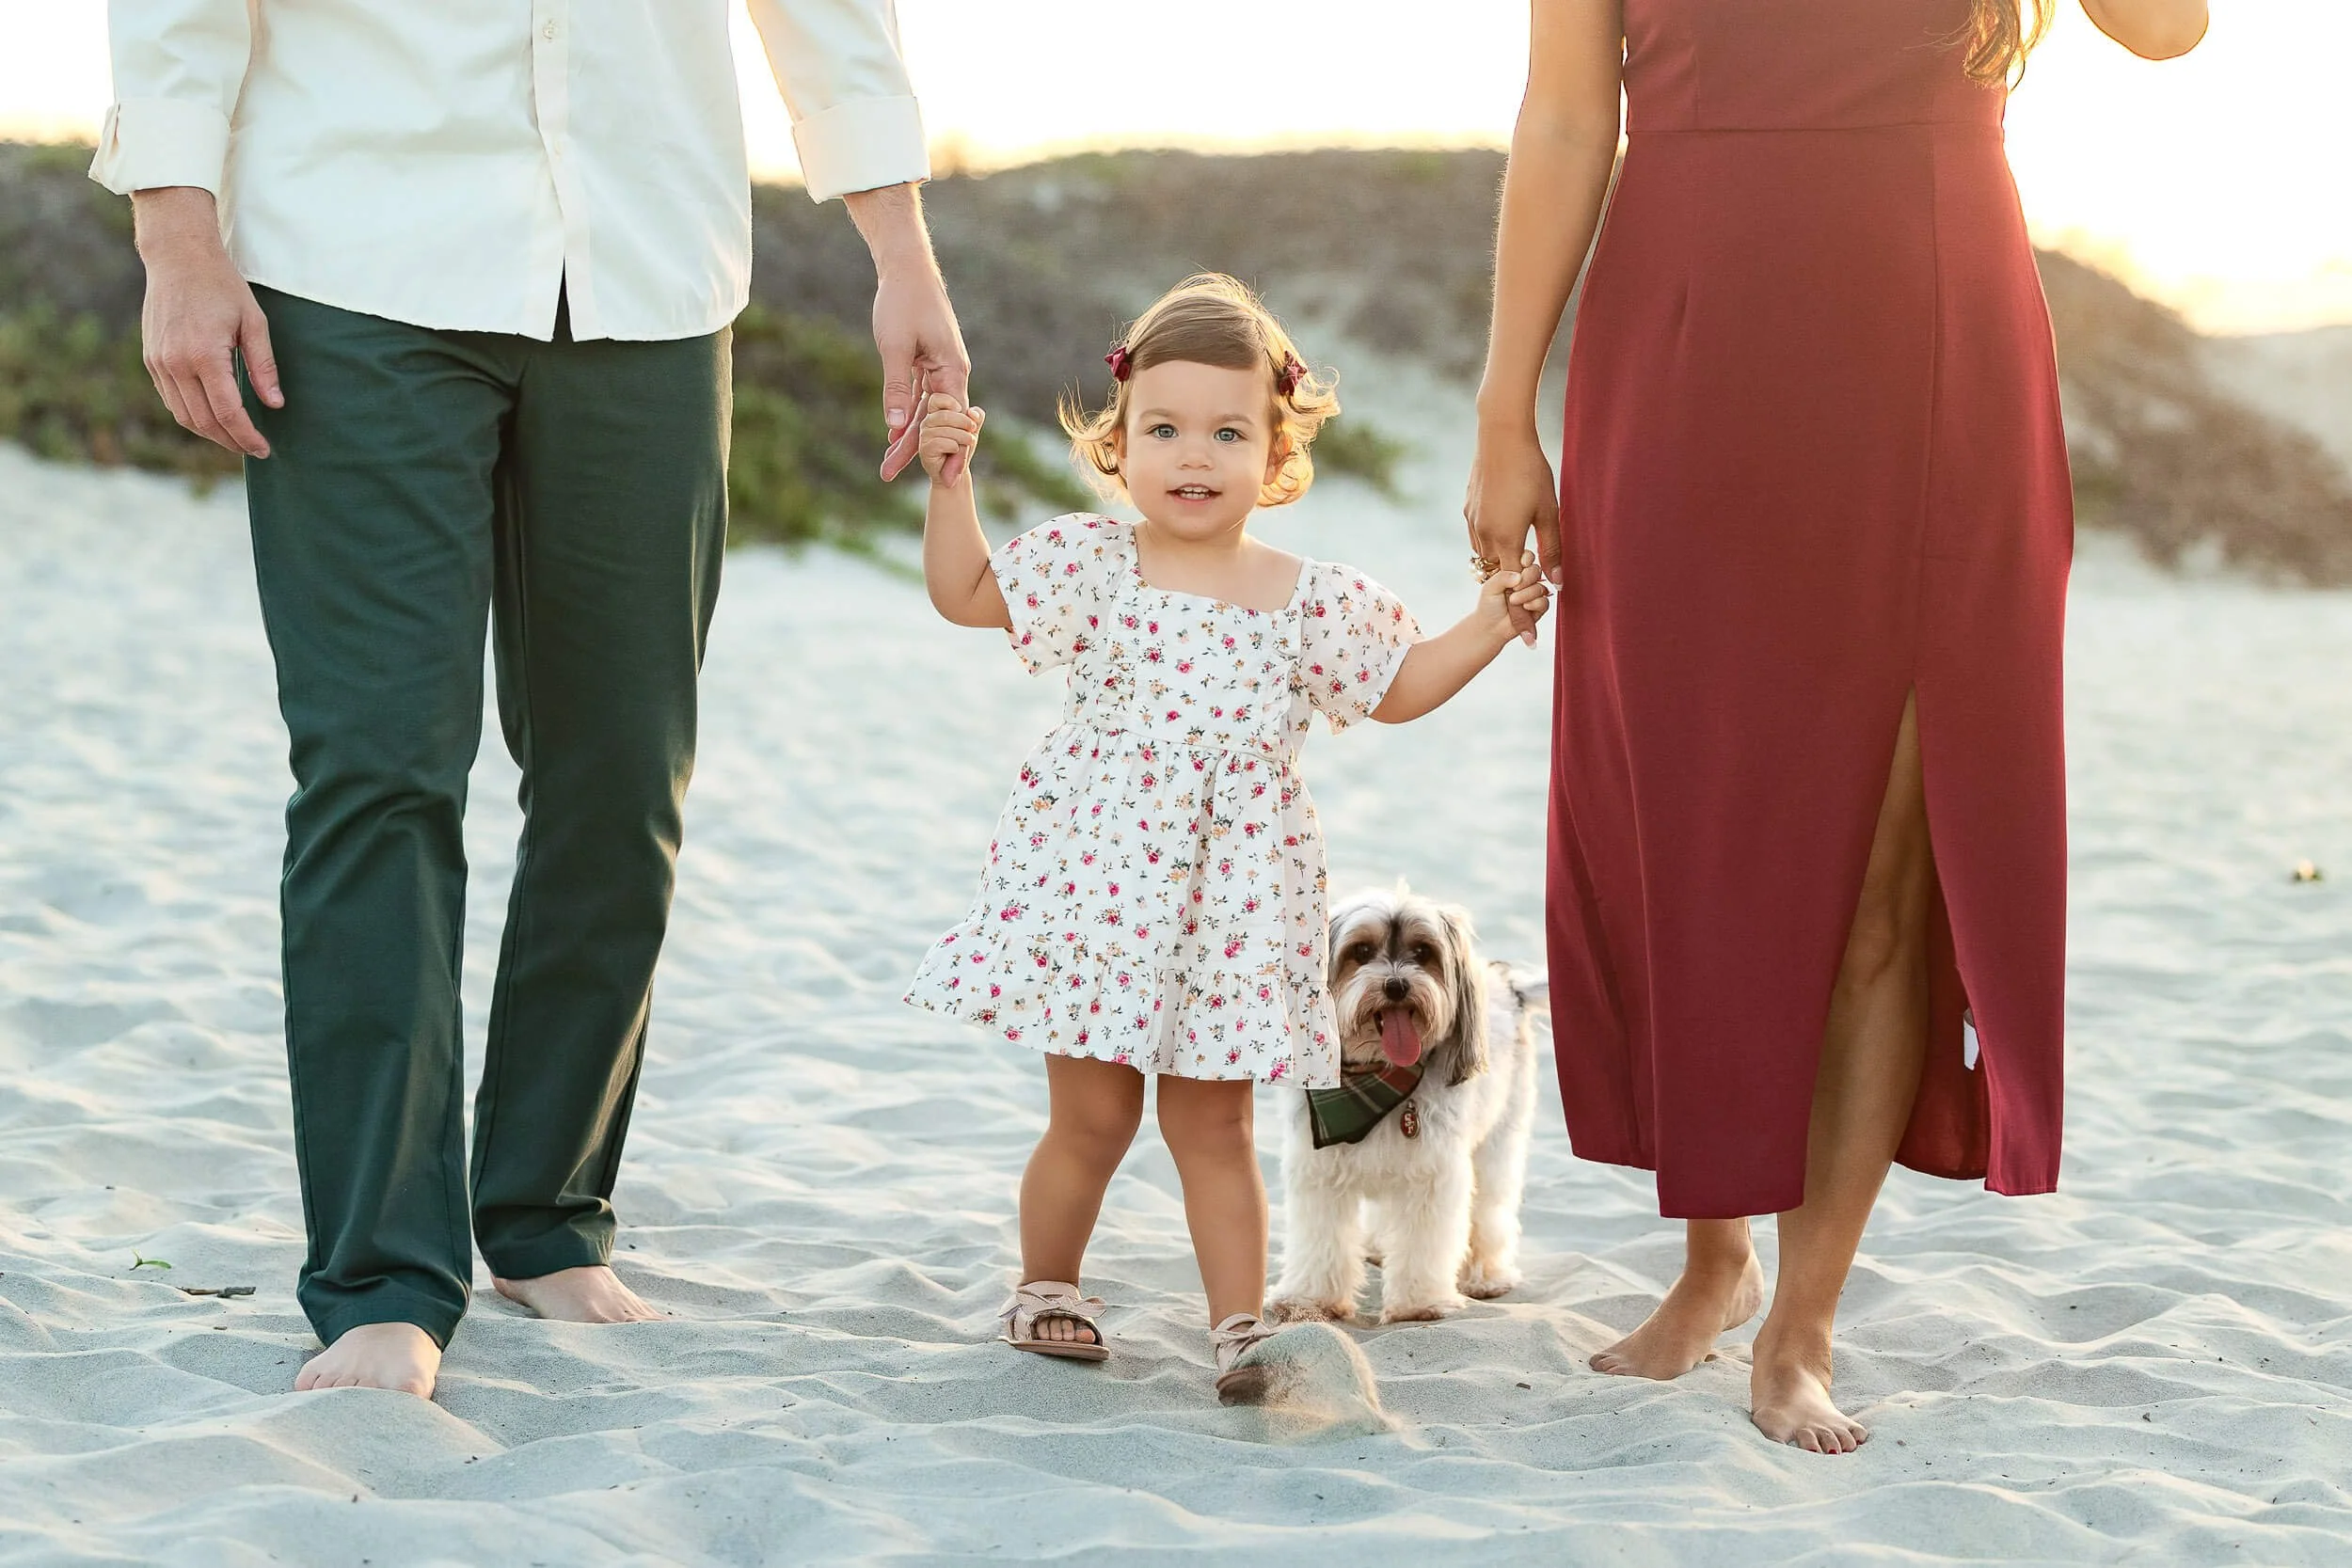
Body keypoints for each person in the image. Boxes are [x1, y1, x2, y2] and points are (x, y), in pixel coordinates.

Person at [92, 0, 970, 1400]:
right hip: (351, 256)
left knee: (623, 772)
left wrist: (899, 247)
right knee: (380, 771)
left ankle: (544, 1207)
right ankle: (381, 1269)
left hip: (648, 264)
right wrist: (176, 236)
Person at [1466, 0, 2207, 1451]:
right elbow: (1564, 118)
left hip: (1933, 332)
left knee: (1882, 859)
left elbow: (2172, 31)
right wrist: (1507, 408)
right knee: (1703, 817)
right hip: (1682, 338)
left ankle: (1802, 1322)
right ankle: (1713, 1259)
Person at [904, 275, 1550, 1401]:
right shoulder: (1092, 566)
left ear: (1275, 453)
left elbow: (1397, 687)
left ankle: (1242, 1325)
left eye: (1225, 431)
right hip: (1103, 889)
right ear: (1118, 445)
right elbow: (963, 591)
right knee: (1093, 1114)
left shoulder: (1309, 599)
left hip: (1235, 902)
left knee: (1212, 1123)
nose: (1191, 455)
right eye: (1162, 429)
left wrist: (1491, 621)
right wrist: (950, 479)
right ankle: (1047, 1283)